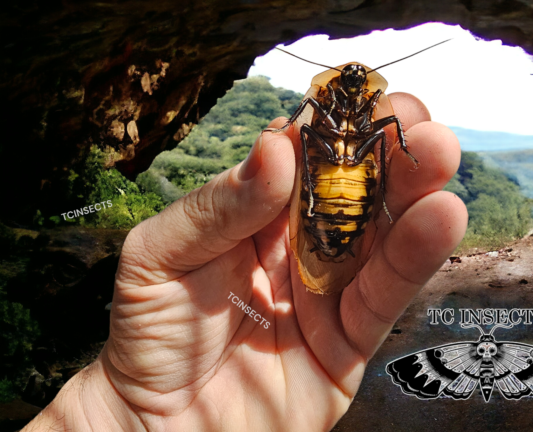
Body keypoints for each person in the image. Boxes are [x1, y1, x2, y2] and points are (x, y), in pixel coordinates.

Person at [23, 92, 467, 431]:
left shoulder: (377, 116)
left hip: (351, 190)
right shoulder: (319, 107)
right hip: (325, 184)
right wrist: (128, 410)